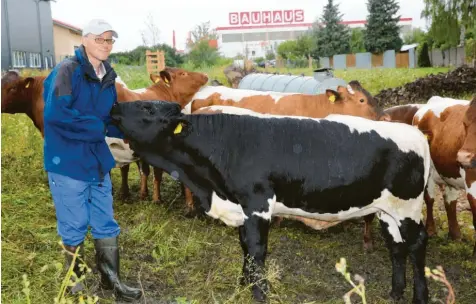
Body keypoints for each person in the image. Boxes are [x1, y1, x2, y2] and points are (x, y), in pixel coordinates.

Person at [42, 19, 142, 301]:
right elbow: (55, 115)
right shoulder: (67, 71)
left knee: (105, 221)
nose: (106, 45)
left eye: (110, 40)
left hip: (97, 161)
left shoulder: (107, 74)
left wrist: (128, 132)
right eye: (101, 39)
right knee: (74, 224)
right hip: (68, 161)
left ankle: (112, 281)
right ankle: (75, 284)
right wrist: (98, 127)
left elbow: (108, 115)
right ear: (85, 39)